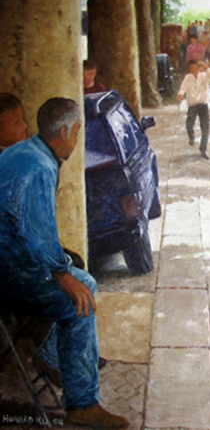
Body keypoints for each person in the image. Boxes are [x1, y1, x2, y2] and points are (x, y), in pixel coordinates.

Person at [0, 97, 129, 429]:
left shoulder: (23, 152)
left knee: (80, 279)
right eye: (76, 134)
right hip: (9, 275)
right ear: (68, 131)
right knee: (81, 292)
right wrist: (61, 273)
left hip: (10, 263)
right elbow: (36, 234)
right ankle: (82, 402)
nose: (76, 140)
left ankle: (56, 358)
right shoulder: (38, 165)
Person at [177, 59, 210, 159]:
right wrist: (180, 94)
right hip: (193, 105)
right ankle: (191, 137)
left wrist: (206, 68)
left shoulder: (204, 76)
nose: (194, 70)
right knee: (189, 125)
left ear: (199, 68)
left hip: (203, 104)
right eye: (191, 69)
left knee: (205, 127)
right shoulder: (187, 78)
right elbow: (183, 88)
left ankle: (203, 148)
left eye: (195, 68)